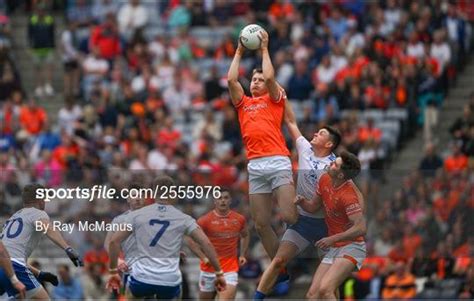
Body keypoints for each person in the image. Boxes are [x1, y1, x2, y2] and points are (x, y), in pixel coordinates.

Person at [254, 101, 341, 299]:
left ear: (329, 144)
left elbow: (315, 205)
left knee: (328, 285)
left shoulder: (332, 169)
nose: (315, 134)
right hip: (303, 223)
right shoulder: (305, 148)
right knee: (277, 262)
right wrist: (280, 97)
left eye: (321, 134)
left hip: (327, 226)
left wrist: (300, 201)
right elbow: (291, 121)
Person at [227, 28, 297, 266]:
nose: (256, 82)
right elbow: (231, 80)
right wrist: (239, 50)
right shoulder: (243, 103)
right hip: (255, 166)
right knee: (260, 223)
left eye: (259, 80)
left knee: (289, 216)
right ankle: (280, 265)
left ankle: (313, 232)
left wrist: (264, 48)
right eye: (253, 80)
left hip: (277, 160)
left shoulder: (275, 99)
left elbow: (269, 78)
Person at [106, 175, 226, 299]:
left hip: (142, 278)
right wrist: (219, 273)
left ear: (152, 193)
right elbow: (206, 243)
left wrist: (113, 272)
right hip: (169, 280)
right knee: (177, 290)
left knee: (130, 294)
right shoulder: (183, 218)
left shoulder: (137, 215)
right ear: (172, 193)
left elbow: (114, 242)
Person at [297, 151, 366, 300]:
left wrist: (332, 239)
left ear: (341, 175)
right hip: (335, 248)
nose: (330, 164)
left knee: (326, 290)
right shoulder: (324, 179)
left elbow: (361, 228)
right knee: (312, 295)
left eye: (335, 164)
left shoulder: (348, 196)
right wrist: (302, 202)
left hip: (352, 247)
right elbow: (312, 206)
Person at [0, 183, 83, 299]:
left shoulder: (13, 218)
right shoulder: (37, 213)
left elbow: (10, 256)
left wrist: (39, 273)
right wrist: (67, 248)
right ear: (40, 199)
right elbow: (48, 229)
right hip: (15, 267)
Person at [192, 189, 249, 300]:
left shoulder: (239, 219)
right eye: (219, 198)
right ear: (215, 201)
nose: (223, 201)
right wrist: (203, 257)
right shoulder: (204, 220)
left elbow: (245, 235)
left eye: (226, 198)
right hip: (208, 270)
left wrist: (242, 254)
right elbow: (191, 241)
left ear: (230, 200)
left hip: (229, 271)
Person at [103, 182, 147, 295]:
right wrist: (117, 260)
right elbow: (108, 243)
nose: (137, 198)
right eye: (134, 195)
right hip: (130, 270)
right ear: (128, 199)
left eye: (141, 195)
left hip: (152, 270)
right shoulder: (119, 220)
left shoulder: (155, 219)